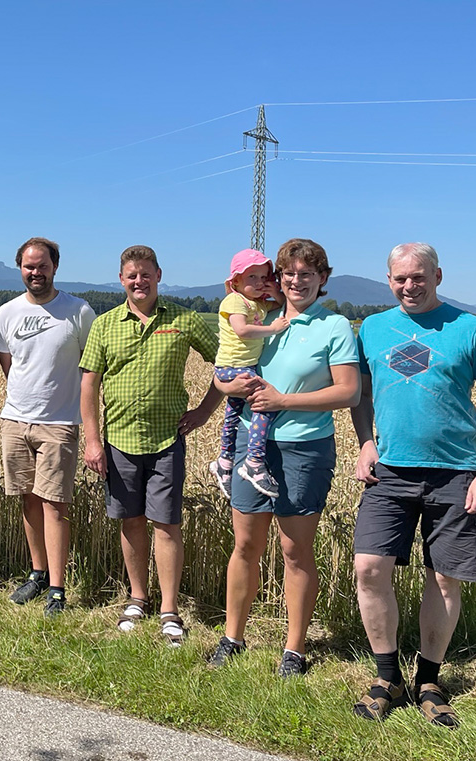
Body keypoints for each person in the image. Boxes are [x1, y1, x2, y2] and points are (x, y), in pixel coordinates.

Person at [350, 242, 476, 727]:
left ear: (437, 275)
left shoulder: (470, 328)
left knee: (444, 577)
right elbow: (361, 394)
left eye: (418, 277)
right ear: (388, 279)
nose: (409, 286)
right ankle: (386, 677)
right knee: (370, 568)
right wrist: (365, 441)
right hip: (391, 472)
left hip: (457, 472)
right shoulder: (372, 329)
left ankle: (429, 679)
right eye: (399, 279)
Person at [207, 238, 360, 677]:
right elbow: (227, 370)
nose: (296, 281)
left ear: (322, 279)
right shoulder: (260, 315)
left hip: (303, 447)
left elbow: (348, 392)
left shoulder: (334, 327)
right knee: (246, 544)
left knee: (295, 551)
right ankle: (232, 638)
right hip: (249, 446)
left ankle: (293, 650)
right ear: (278, 277)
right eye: (288, 273)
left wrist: (284, 400)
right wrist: (224, 388)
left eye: (306, 274)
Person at [80, 245, 222, 645]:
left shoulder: (184, 320)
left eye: (145, 274)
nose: (138, 281)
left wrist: (205, 411)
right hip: (119, 440)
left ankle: (170, 609)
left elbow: (225, 363)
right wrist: (92, 441)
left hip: (166, 440)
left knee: (167, 523)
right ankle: (137, 598)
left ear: (159, 275)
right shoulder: (106, 325)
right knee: (130, 521)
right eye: (131, 275)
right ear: (121, 279)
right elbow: (88, 384)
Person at [0, 237, 95, 617]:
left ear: (55, 267)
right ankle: (37, 573)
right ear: (20, 268)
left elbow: (90, 365)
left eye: (42, 266)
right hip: (16, 420)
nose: (35, 272)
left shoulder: (78, 311)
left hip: (59, 422)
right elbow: (8, 362)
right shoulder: (7, 312)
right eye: (28, 266)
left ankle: (57, 589)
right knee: (27, 500)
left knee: (55, 505)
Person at [209, 249, 289, 498]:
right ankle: (253, 462)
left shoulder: (257, 303)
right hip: (234, 367)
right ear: (235, 282)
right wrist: (273, 329)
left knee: (233, 414)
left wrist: (274, 289)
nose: (258, 283)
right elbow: (242, 330)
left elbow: (281, 303)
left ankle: (224, 462)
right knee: (265, 404)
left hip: (239, 367)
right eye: (251, 277)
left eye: (263, 277)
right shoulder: (234, 301)